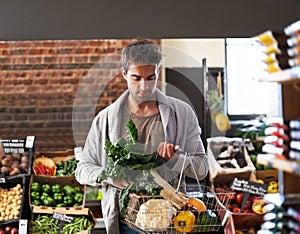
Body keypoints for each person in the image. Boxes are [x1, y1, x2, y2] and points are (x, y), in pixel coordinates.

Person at [75, 39, 209, 234]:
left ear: (158, 72)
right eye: (136, 78)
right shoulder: (105, 119)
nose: (144, 87)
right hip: (124, 224)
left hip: (170, 220)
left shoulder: (182, 113)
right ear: (124, 74)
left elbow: (202, 168)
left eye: (150, 78)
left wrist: (176, 160)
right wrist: (110, 177)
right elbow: (82, 170)